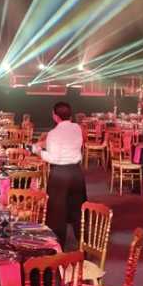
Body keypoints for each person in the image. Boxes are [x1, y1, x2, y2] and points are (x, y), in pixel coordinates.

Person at [34, 101, 86, 249]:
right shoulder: (77, 128)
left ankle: (57, 247)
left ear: (55, 116)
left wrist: (37, 151)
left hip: (59, 175)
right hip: (76, 173)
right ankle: (83, 244)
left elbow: (53, 158)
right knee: (77, 211)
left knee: (57, 213)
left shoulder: (53, 133)